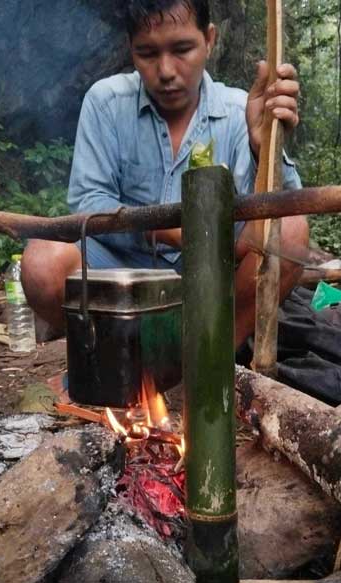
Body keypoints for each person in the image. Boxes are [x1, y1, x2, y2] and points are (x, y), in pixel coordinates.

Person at [21, 0, 309, 350]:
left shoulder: (240, 111)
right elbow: (88, 202)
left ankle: (211, 354)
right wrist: (172, 231)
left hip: (214, 273)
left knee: (291, 229)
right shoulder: (106, 102)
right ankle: (117, 357)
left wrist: (263, 149)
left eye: (182, 49)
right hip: (124, 272)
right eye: (147, 53)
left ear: (209, 40)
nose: (166, 70)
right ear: (131, 49)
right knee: (42, 263)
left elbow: (276, 213)